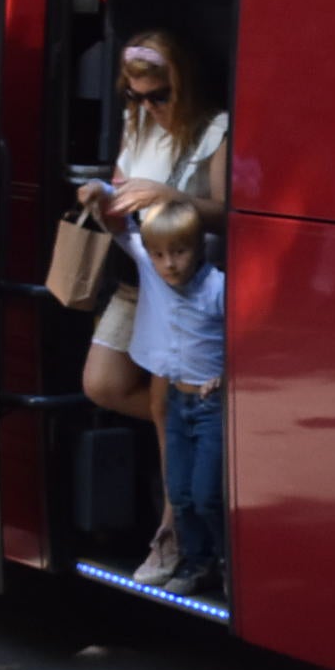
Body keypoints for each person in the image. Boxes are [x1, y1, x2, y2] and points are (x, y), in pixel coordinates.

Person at [82, 30, 231, 581]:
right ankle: (207, 427)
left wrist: (168, 196)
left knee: (168, 407)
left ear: (183, 86)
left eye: (159, 95)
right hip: (138, 273)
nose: (148, 107)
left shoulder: (215, 129)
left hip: (186, 285)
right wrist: (105, 196)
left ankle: (172, 537)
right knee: (103, 383)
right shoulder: (137, 122)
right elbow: (125, 190)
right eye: (136, 96)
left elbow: (229, 212)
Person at [79, 186, 228, 598]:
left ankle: (223, 559)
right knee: (180, 492)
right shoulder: (149, 267)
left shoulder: (217, 288)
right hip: (176, 401)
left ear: (199, 248)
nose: (169, 264)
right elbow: (118, 226)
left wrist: (228, 373)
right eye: (159, 255)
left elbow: (244, 334)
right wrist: (100, 193)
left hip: (210, 402)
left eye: (179, 253)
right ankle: (196, 562)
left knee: (207, 494)